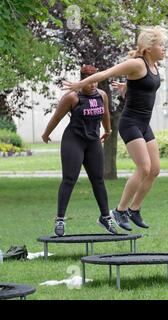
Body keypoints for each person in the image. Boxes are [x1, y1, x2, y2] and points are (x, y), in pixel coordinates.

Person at [62, 26, 166, 232]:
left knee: (154, 170)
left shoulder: (154, 66)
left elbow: (141, 90)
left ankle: (134, 210)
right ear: (148, 48)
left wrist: (126, 89)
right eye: (161, 45)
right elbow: (105, 73)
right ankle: (118, 212)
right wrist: (80, 84)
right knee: (143, 168)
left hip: (144, 124)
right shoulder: (137, 63)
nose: (164, 49)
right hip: (130, 123)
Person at [42, 65, 117, 236]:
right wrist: (46, 134)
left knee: (98, 180)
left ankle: (105, 217)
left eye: (96, 81)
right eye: (90, 81)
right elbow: (57, 117)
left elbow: (105, 113)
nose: (93, 85)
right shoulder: (72, 98)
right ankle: (60, 220)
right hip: (73, 141)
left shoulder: (102, 95)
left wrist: (108, 130)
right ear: (83, 80)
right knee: (69, 179)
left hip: (93, 142)